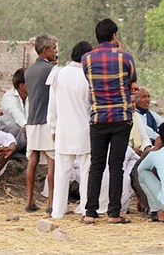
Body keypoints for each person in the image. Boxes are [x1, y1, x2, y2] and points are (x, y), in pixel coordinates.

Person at [82, 19, 137, 225]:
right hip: (121, 118)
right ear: (114, 36)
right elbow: (131, 81)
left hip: (98, 118)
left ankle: (90, 212)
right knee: (116, 166)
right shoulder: (126, 58)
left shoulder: (86, 59)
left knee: (96, 165)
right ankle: (114, 213)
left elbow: (89, 81)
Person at [48, 41, 93, 219]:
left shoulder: (58, 73)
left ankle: (57, 211)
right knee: (86, 172)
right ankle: (84, 208)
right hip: (85, 130)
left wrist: (52, 126)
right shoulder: (88, 76)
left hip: (63, 130)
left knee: (62, 172)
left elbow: (52, 105)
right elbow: (91, 105)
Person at [24, 33, 58, 214]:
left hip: (32, 120)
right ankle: (51, 202)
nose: (55, 52)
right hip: (47, 120)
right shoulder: (52, 70)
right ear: (45, 51)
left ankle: (29, 199)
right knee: (52, 161)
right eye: (53, 48)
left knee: (33, 159)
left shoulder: (29, 71)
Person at [0, 68, 28, 155]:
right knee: (17, 126)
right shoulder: (9, 96)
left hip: (22, 135)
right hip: (6, 132)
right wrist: (25, 126)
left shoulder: (31, 97)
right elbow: (15, 112)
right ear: (22, 85)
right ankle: (6, 150)